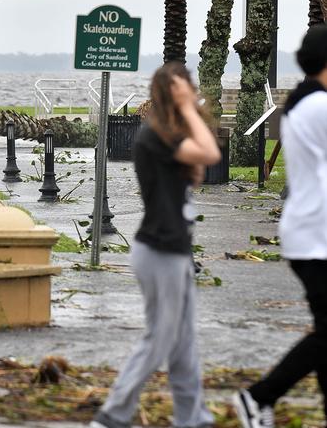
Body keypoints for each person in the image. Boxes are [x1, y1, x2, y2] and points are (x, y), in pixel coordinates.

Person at [90, 62, 221, 428]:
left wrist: (187, 111)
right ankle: (112, 414)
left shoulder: (168, 137)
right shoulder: (156, 136)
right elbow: (211, 153)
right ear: (170, 94)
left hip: (175, 247)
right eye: (182, 89)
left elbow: (196, 170)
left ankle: (193, 417)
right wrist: (188, 107)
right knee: (160, 337)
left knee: (183, 343)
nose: (191, 93)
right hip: (159, 249)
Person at [233, 25, 327, 428]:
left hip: (310, 232)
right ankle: (258, 397)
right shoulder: (319, 106)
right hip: (317, 236)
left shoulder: (306, 102)